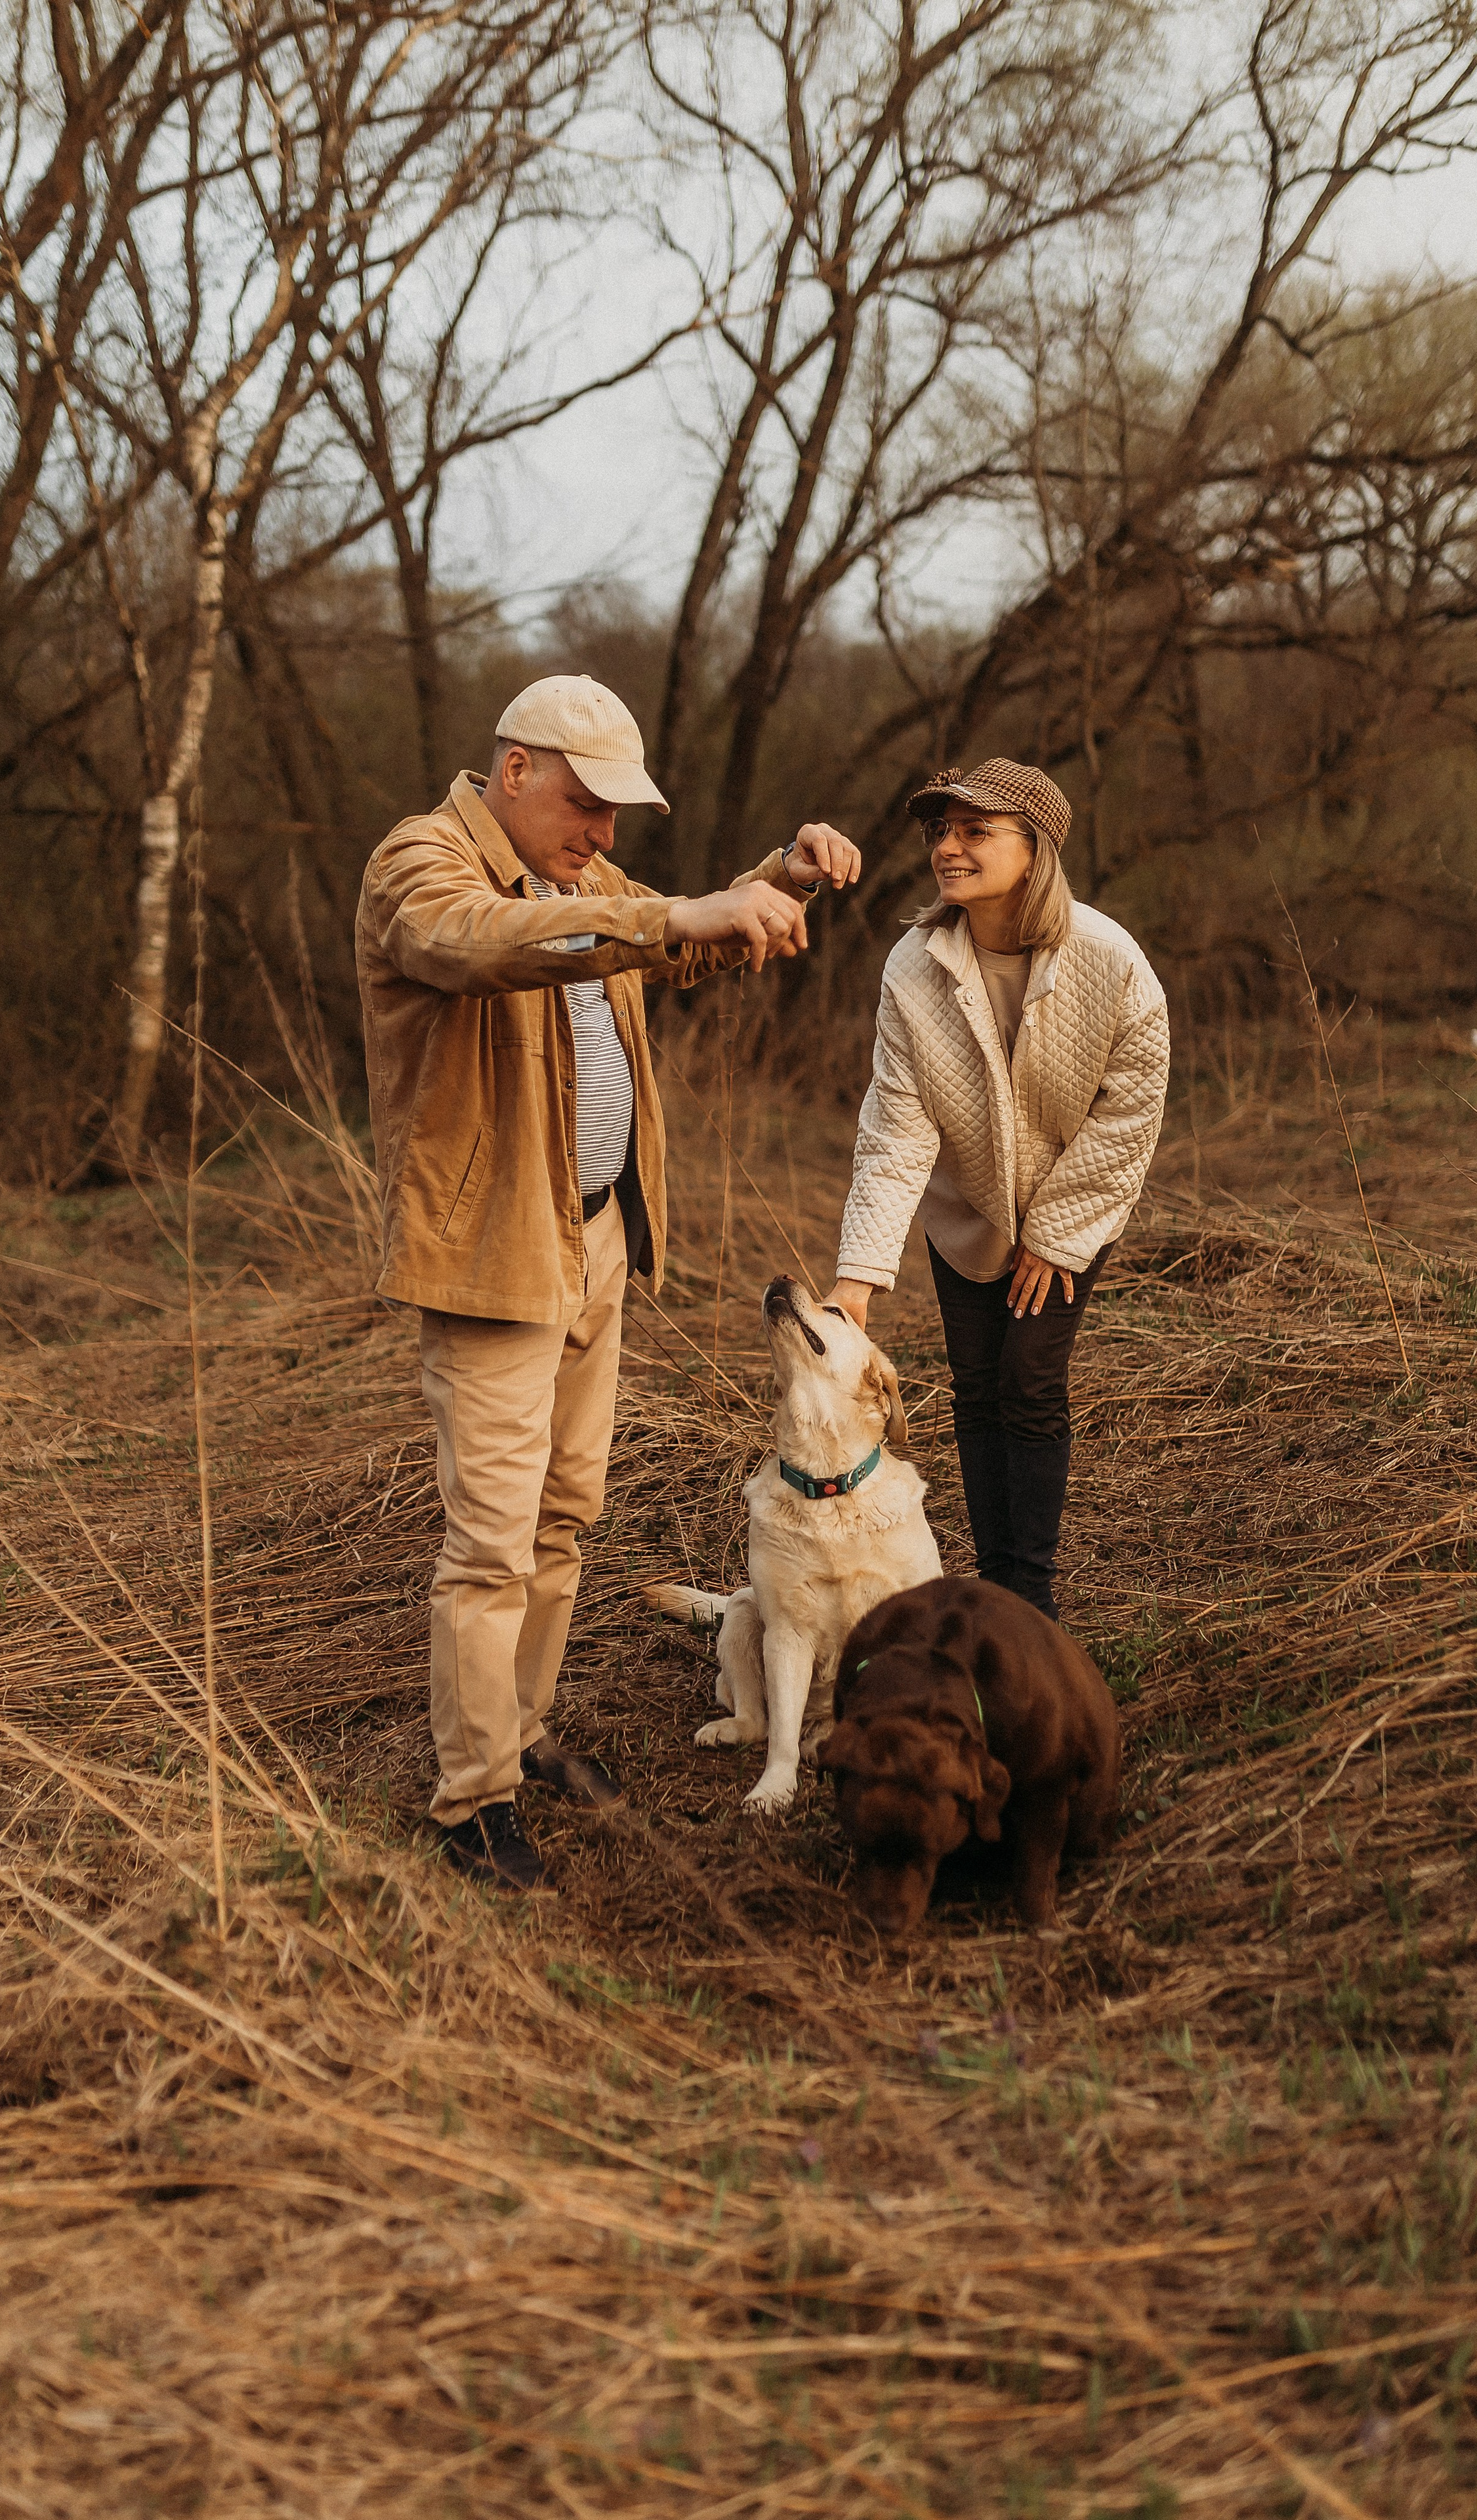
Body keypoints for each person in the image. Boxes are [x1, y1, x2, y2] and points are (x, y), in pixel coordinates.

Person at [356, 673, 860, 1890]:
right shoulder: (421, 865)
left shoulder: (583, 880)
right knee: (490, 1541)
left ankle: (520, 1735)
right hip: (491, 1255)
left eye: (619, 817)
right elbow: (481, 948)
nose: (604, 839)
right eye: (586, 806)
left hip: (595, 1242)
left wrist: (774, 882)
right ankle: (468, 1803)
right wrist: (679, 915)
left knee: (564, 1516)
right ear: (514, 770)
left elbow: (674, 939)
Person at [827, 759, 1167, 1624]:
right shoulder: (915, 967)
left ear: (1036, 849)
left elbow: (1131, 1107)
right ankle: (993, 1583)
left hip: (1072, 1208)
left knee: (1028, 1378)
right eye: (940, 831)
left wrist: (1055, 1234)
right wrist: (857, 1278)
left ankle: (1031, 1599)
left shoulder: (1109, 961)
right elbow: (897, 1128)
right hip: (966, 1212)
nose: (948, 847)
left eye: (975, 831)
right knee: (976, 1386)